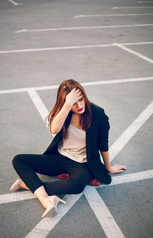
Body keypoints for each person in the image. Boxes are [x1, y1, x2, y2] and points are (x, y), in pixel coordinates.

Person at [10, 79, 127, 218]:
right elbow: (54, 129)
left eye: (81, 100)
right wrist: (67, 105)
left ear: (84, 96)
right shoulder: (65, 112)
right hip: (59, 157)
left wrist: (108, 166)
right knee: (19, 160)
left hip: (80, 163)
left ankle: (27, 184)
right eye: (74, 103)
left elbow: (103, 143)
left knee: (77, 185)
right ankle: (47, 200)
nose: (79, 106)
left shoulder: (98, 114)